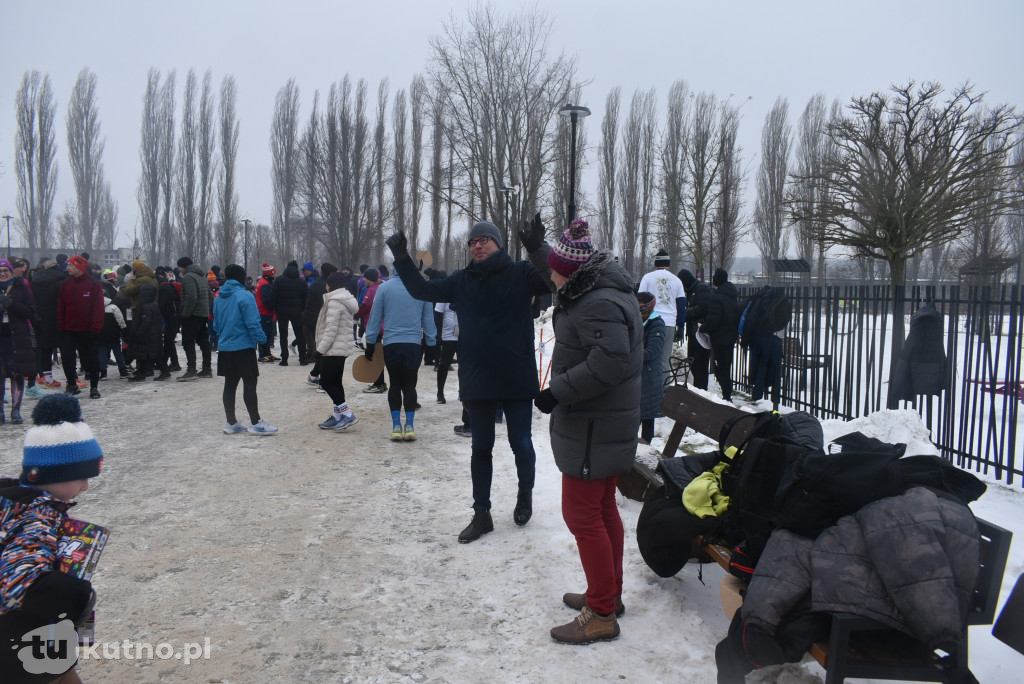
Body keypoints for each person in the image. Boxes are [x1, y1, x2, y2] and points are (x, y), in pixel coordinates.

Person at [386, 219, 549, 543]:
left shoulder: (521, 273)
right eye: (473, 241)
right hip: (478, 376)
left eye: (486, 239)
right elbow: (421, 289)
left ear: (499, 244)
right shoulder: (461, 280)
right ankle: (481, 513)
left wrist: (535, 248)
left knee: (521, 443)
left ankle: (525, 495)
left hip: (515, 373)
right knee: (481, 448)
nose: (478, 244)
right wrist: (402, 257)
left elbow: (551, 281)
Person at [524, 216, 642, 645]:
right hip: (601, 422)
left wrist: (557, 392)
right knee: (602, 509)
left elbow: (609, 362)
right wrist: (539, 250)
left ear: (571, 271)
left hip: (595, 422)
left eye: (553, 265)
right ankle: (607, 594)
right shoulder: (591, 287)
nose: (549, 273)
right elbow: (559, 273)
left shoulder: (597, 301)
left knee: (582, 514)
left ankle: (602, 614)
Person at [0, 394, 104, 684]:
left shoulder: (21, 505)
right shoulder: (36, 518)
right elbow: (20, 583)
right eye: (81, 477)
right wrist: (80, 595)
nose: (85, 486)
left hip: (40, 638)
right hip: (24, 641)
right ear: (50, 473)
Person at [364, 268, 437, 442]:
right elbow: (428, 318)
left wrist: (371, 342)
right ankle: (410, 426)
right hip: (413, 344)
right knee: (410, 385)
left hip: (391, 343)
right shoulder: (421, 288)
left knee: (395, 384)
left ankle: (396, 426)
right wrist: (432, 343)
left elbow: (375, 317)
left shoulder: (384, 288)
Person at [213, 264, 277, 436]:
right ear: (242, 278)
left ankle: (231, 422)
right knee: (250, 384)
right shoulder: (245, 296)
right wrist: (262, 340)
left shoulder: (218, 297)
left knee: (230, 384)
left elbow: (216, 325)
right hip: (243, 347)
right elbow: (252, 323)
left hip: (225, 348)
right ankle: (256, 422)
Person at [313, 271, 360, 430]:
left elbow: (330, 330)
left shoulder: (334, 301)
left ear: (331, 285)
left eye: (327, 283)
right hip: (340, 347)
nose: (325, 286)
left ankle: (347, 414)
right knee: (335, 382)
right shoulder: (345, 298)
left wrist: (320, 350)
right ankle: (337, 415)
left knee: (325, 382)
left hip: (333, 349)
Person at [57, 255, 103, 399]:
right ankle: (72, 384)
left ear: (80, 267)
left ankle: (94, 387)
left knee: (92, 359)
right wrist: (61, 328)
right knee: (68, 358)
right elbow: (61, 308)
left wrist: (96, 328)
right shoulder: (66, 285)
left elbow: (98, 308)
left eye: (71, 265)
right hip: (69, 330)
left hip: (88, 330)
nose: (67, 268)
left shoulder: (94, 285)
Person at [637, 249, 686, 380]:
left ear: (655, 264)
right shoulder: (676, 281)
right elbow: (681, 305)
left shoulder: (647, 278)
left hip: (650, 322)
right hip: (669, 323)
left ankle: (647, 385)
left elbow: (639, 300)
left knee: (648, 356)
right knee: (665, 359)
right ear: (668, 264)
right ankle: (664, 390)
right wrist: (681, 326)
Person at [0, 259, 38, 424]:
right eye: (0, 271)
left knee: (17, 373)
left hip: (17, 336)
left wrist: (11, 304)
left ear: (11, 271)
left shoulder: (21, 286)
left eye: (5, 270)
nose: (3, 274)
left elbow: (29, 311)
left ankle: (16, 410)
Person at [701, 269, 741, 402]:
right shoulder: (733, 296)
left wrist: (703, 328)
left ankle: (727, 396)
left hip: (719, 338)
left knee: (720, 368)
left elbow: (713, 319)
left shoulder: (717, 298)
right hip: (730, 336)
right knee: (726, 366)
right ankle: (727, 393)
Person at [28, 261, 68, 389]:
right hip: (59, 319)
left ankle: (48, 379)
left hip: (40, 320)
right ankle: (71, 378)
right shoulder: (60, 281)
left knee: (45, 350)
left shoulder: (34, 282)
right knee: (66, 349)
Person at [636, 291, 667, 444]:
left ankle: (645, 453)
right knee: (632, 421)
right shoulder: (633, 321)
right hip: (635, 377)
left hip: (648, 379)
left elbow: (652, 352)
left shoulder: (657, 324)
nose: (638, 308)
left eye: (641, 306)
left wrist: (630, 354)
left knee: (646, 420)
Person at [176, 256, 213, 381]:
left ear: (182, 267)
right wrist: (205, 309)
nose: (178, 270)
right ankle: (207, 369)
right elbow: (209, 295)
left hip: (192, 315)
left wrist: (185, 313)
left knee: (188, 342)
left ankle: (191, 370)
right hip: (203, 314)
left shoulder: (188, 277)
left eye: (179, 268)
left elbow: (191, 297)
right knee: (203, 341)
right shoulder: (201, 276)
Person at [303, 263, 337, 385]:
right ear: (331, 274)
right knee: (324, 350)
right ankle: (322, 379)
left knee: (324, 349)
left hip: (314, 319)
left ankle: (314, 375)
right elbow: (325, 305)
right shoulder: (322, 285)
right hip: (315, 321)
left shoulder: (320, 282)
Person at [268, 261, 307, 366]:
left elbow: (273, 296)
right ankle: (303, 358)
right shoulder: (301, 282)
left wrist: (274, 308)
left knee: (283, 336)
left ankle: (284, 359)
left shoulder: (279, 280)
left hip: (282, 312)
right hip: (297, 312)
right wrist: (303, 310)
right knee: (300, 335)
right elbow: (305, 298)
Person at [679, 269, 713, 391]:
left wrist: (686, 313)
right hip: (694, 332)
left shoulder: (700, 288)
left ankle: (701, 390)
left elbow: (704, 307)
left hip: (700, 333)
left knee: (700, 365)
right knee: (694, 363)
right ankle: (698, 389)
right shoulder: (692, 290)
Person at [127, 284, 169, 382]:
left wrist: (139, 332)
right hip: (152, 334)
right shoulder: (152, 304)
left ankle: (164, 371)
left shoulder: (146, 306)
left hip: (148, 335)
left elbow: (146, 321)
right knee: (144, 355)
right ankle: (142, 372)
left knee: (153, 355)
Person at [354, 268, 386, 394]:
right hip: (380, 326)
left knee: (374, 356)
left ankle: (378, 383)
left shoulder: (372, 290)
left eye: (365, 277)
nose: (363, 279)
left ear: (371, 278)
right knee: (377, 355)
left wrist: (354, 315)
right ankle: (380, 382)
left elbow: (365, 307)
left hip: (375, 327)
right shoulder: (379, 288)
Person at [155, 267, 182, 372]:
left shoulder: (163, 288)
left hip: (172, 317)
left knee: (168, 340)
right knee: (168, 340)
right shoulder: (169, 286)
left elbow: (162, 305)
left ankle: (174, 363)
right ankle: (165, 362)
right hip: (175, 316)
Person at [98, 292, 128, 380]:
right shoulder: (114, 307)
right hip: (113, 334)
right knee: (117, 352)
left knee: (102, 352)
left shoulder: (96, 308)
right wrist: (124, 330)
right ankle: (122, 371)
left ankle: (103, 373)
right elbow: (120, 320)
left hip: (101, 334)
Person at [255, 263, 278, 362]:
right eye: (273, 274)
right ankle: (262, 354)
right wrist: (272, 308)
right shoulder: (265, 284)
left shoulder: (261, 281)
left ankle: (267, 353)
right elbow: (266, 300)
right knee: (266, 334)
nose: (274, 275)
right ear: (270, 274)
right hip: (264, 312)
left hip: (261, 312)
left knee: (266, 333)